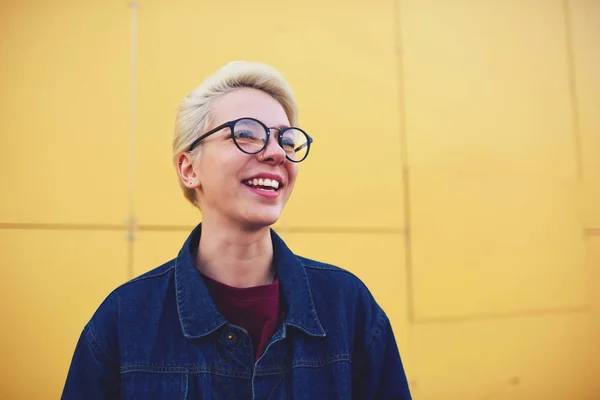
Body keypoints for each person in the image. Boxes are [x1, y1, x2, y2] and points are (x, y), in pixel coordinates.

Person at [62, 61, 412, 399]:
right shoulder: (124, 321)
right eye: (246, 134)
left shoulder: (348, 307)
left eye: (286, 140)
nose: (276, 153)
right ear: (188, 168)